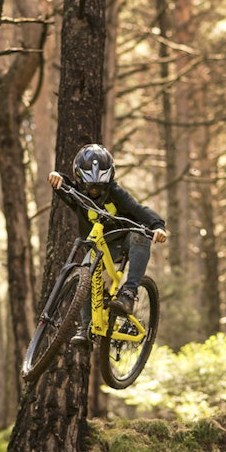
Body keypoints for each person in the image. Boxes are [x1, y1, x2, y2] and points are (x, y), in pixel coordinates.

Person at [48, 143, 168, 347]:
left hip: (125, 240)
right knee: (85, 272)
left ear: (109, 181)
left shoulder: (116, 193)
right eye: (89, 187)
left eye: (100, 187)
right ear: (80, 180)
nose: (94, 192)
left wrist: (158, 226)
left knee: (141, 236)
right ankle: (86, 329)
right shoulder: (77, 193)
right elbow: (63, 185)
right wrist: (56, 176)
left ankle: (128, 294)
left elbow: (139, 209)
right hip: (102, 247)